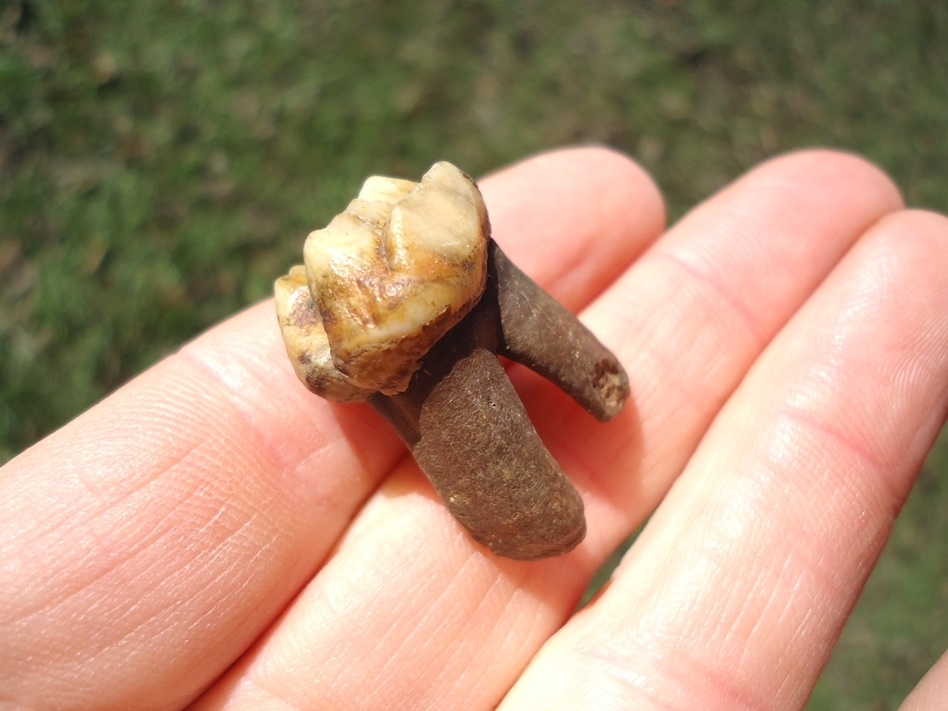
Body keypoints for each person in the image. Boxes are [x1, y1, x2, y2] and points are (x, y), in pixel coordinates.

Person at [1, 146, 946, 710]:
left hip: (448, 284)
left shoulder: (460, 275)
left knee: (579, 401)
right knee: (542, 484)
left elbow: (578, 367)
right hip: (414, 321)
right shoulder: (398, 327)